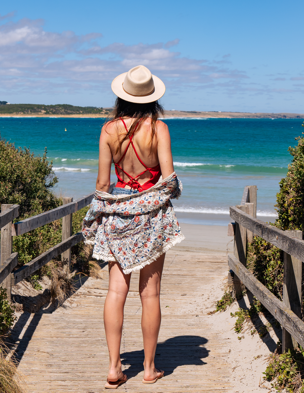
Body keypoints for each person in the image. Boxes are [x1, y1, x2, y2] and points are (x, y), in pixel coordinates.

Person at [82, 65, 184, 389]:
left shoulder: (109, 130)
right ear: (152, 98)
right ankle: (150, 369)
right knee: (150, 292)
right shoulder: (159, 129)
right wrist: (155, 195)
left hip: (118, 214)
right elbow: (168, 181)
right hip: (152, 215)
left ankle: (114, 368)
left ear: (122, 95)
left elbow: (102, 184)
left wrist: (111, 208)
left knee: (116, 291)